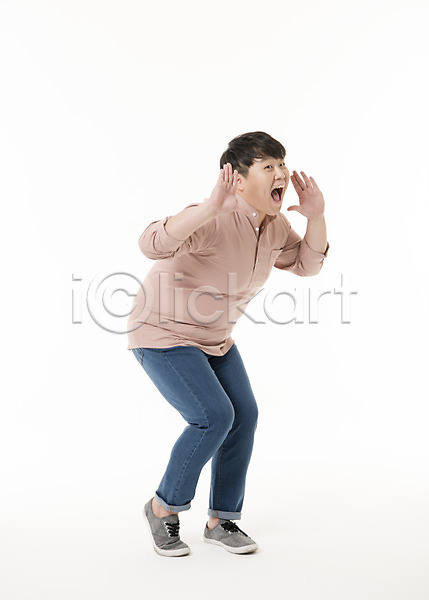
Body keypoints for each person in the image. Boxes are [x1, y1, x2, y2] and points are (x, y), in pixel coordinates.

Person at [127, 131, 329, 556]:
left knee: (244, 415)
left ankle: (221, 520)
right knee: (213, 416)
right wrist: (208, 207)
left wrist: (316, 217)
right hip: (163, 332)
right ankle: (162, 508)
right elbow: (150, 244)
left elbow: (306, 264)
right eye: (268, 166)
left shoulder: (274, 225)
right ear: (238, 179)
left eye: (282, 164)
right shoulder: (214, 216)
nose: (281, 173)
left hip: (215, 339)